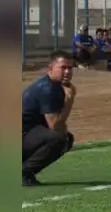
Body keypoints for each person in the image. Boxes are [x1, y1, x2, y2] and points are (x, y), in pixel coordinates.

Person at [22, 50, 76, 186]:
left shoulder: (55, 86)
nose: (67, 72)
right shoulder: (47, 89)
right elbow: (55, 126)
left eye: (70, 68)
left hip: (28, 133)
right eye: (63, 68)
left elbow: (58, 124)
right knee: (59, 139)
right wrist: (69, 101)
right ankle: (22, 173)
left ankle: (24, 171)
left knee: (65, 138)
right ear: (50, 68)